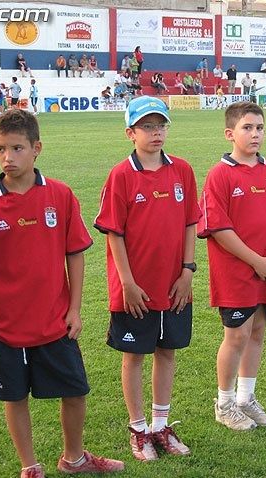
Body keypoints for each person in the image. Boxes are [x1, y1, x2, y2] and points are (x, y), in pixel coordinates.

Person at [0, 109, 124, 478]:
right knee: (15, 397)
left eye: (16, 148)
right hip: (7, 327)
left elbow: (75, 254)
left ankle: (74, 457)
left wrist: (75, 310)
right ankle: (30, 467)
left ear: (36, 149)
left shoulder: (60, 195)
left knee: (76, 392)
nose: (7, 158)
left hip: (54, 322)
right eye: (0, 149)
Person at [94, 96, 199, 461]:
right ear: (130, 133)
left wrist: (188, 271)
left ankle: (160, 426)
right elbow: (114, 233)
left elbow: (190, 222)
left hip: (174, 284)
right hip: (135, 287)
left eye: (161, 126)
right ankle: (138, 430)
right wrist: (126, 282)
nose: (156, 133)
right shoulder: (121, 175)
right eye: (147, 127)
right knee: (135, 356)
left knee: (166, 351)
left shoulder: (182, 170)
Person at [198, 102, 266, 430]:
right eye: (247, 128)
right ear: (230, 134)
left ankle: (246, 398)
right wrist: (257, 261)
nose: (255, 134)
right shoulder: (220, 175)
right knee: (237, 335)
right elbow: (218, 227)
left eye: (259, 127)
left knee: (257, 331)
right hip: (236, 273)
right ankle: (224, 403)